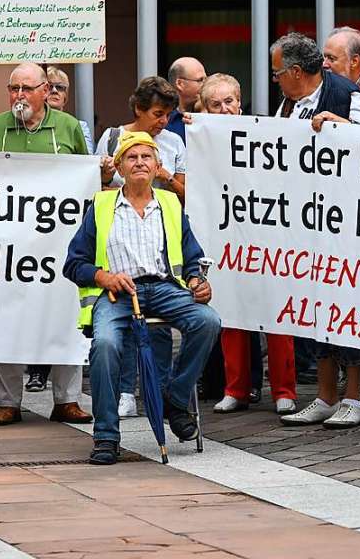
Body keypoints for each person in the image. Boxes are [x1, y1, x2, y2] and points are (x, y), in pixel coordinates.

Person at [64, 131, 221, 465]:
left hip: (164, 288)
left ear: (158, 165)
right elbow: (73, 263)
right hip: (117, 293)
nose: (139, 163)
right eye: (131, 158)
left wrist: (196, 279)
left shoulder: (170, 203)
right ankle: (106, 435)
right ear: (119, 166)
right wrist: (104, 276)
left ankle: (174, 399)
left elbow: (192, 256)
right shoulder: (102, 205)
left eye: (146, 157)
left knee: (208, 321)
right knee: (105, 344)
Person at [271, 33, 360, 429]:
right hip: (305, 226)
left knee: (346, 308)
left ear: (296, 72)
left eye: (278, 73)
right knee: (316, 311)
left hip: (345, 225)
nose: (275, 80)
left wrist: (343, 127)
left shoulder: (348, 96)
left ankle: (353, 397)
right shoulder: (287, 105)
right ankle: (324, 395)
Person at [0, 62, 93, 426]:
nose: (20, 96)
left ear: (46, 90)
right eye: (14, 88)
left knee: (65, 316)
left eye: (27, 88)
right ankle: (8, 401)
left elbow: (84, 176)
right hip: (8, 244)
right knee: (8, 316)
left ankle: (67, 399)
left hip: (59, 242)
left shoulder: (69, 127)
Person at [199, 74, 298, 416]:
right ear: (204, 108)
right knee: (231, 315)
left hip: (269, 238)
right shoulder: (203, 141)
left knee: (277, 315)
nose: (224, 109)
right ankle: (235, 388)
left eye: (229, 101)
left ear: (240, 103)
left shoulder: (264, 134)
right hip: (226, 239)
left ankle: (284, 390)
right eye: (215, 104)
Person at [95, 76, 187, 418]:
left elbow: (186, 192)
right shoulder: (113, 137)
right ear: (139, 109)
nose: (163, 122)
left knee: (160, 329)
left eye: (167, 115)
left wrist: (164, 176)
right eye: (157, 114)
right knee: (126, 323)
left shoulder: (175, 142)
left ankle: (161, 390)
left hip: (158, 237)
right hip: (118, 243)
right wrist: (106, 176)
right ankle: (125, 390)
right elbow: (96, 188)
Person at [165, 57, 206, 142]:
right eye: (200, 80)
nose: (205, 85)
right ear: (180, 84)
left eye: (206, 79)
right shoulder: (164, 121)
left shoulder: (212, 113)